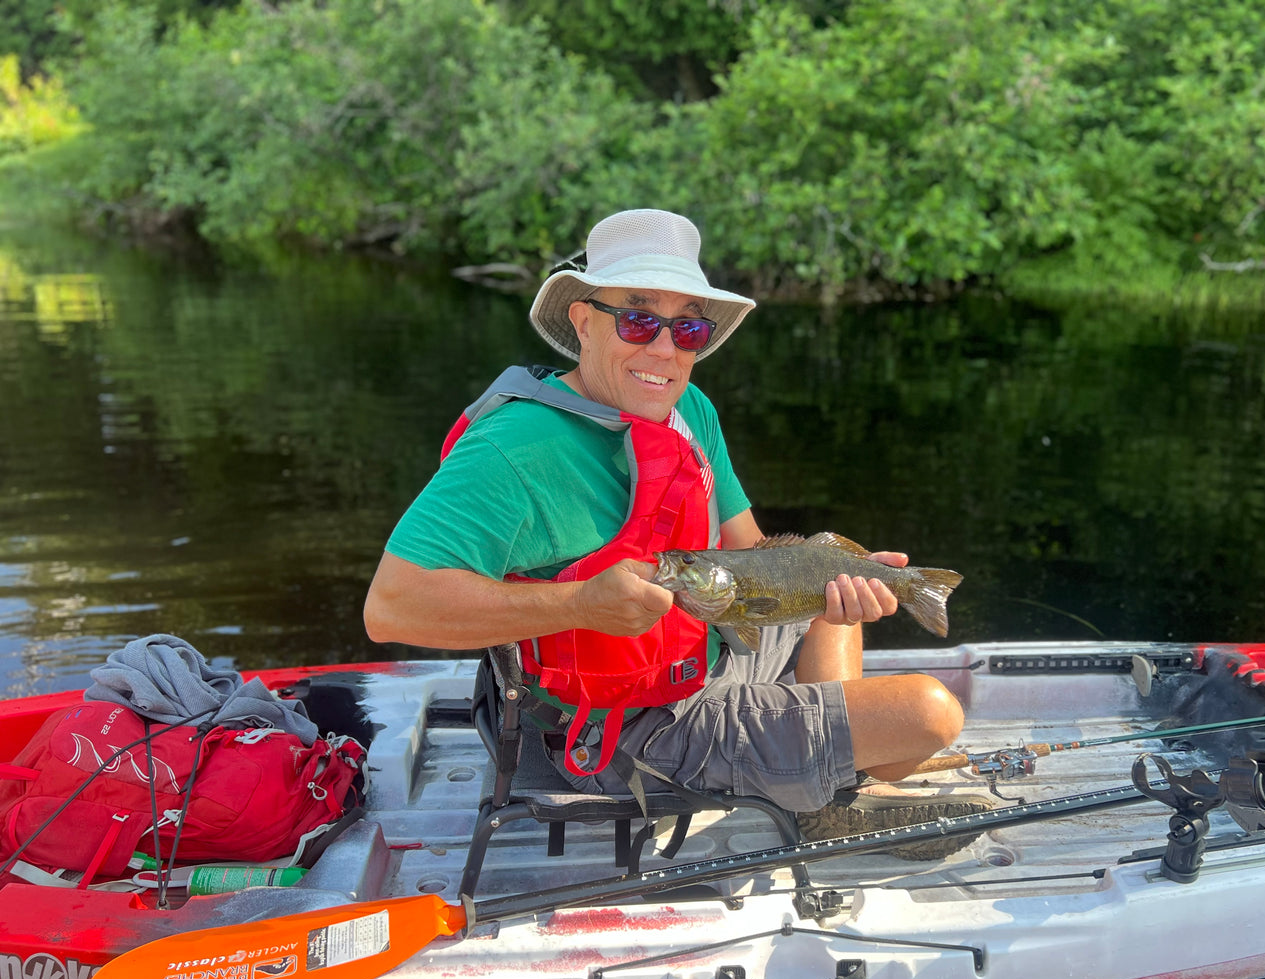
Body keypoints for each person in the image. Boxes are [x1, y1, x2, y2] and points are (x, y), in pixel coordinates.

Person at [364, 208, 990, 854]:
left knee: (832, 593)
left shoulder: (686, 407)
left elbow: (750, 556)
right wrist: (578, 604)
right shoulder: (510, 452)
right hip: (620, 732)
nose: (663, 350)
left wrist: (839, 580)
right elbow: (391, 610)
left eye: (687, 327)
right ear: (583, 321)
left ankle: (822, 792)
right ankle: (823, 783)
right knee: (928, 712)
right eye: (637, 319)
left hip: (703, 650)